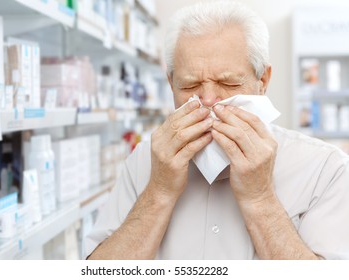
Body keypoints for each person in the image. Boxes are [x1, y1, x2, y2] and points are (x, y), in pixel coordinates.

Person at [85, 1, 349, 260]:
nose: (209, 99)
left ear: (263, 82)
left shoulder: (325, 169)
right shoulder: (145, 160)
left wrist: (260, 199)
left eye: (229, 83)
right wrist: (159, 192)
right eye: (189, 85)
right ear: (171, 83)